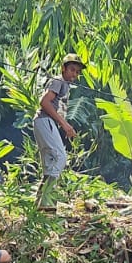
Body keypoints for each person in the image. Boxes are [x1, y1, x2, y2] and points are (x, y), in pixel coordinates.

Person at [34, 55, 84, 211]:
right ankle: (48, 198)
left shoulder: (64, 84)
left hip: (45, 123)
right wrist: (65, 125)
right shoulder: (58, 81)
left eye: (77, 72)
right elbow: (44, 101)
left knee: (50, 163)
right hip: (44, 120)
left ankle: (40, 204)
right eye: (72, 70)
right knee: (61, 157)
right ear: (63, 68)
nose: (74, 75)